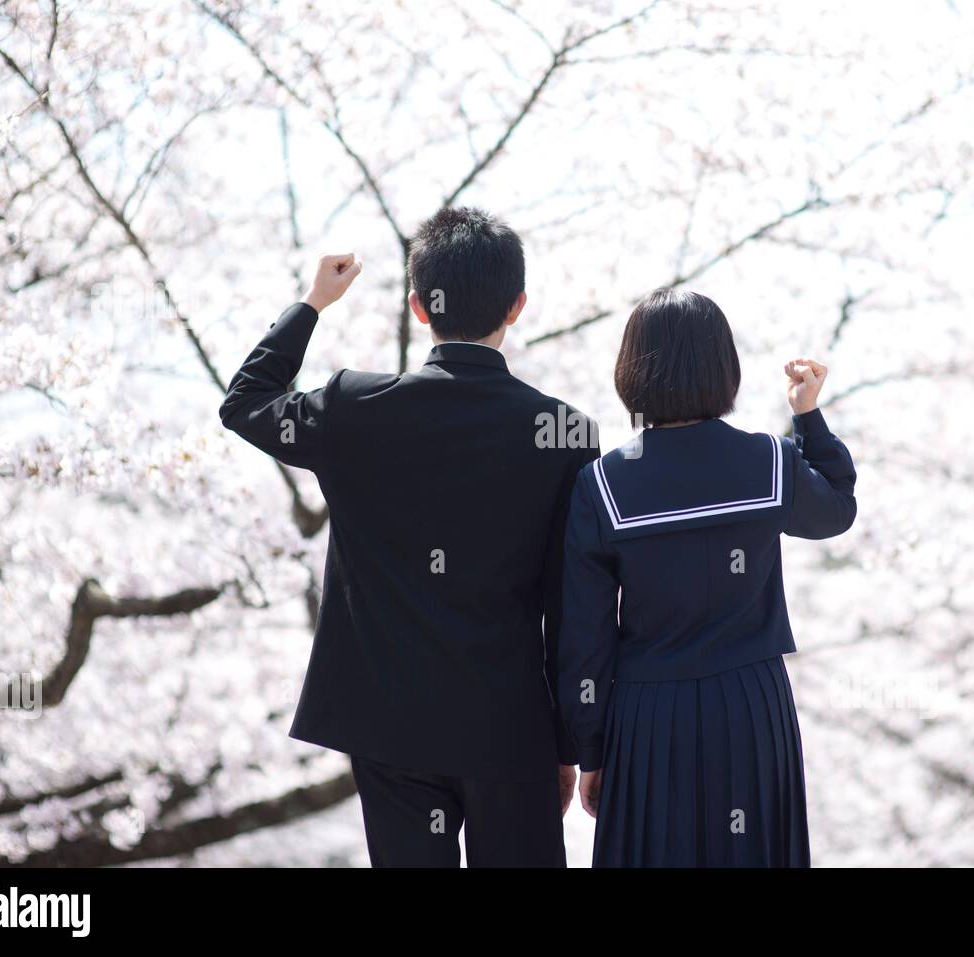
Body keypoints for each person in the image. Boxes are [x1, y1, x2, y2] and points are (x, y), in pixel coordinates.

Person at [219, 207, 597, 866]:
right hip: (509, 729)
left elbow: (246, 402)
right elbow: (573, 609)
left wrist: (313, 303)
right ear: (518, 305)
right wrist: (568, 745)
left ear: (420, 307)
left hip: (391, 728)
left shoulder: (355, 407)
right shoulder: (564, 432)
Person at [558, 288, 857, 867]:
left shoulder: (602, 485)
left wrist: (589, 751)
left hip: (647, 719)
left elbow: (583, 637)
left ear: (632, 370)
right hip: (751, 708)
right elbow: (837, 509)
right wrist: (808, 416)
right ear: (725, 367)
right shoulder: (769, 461)